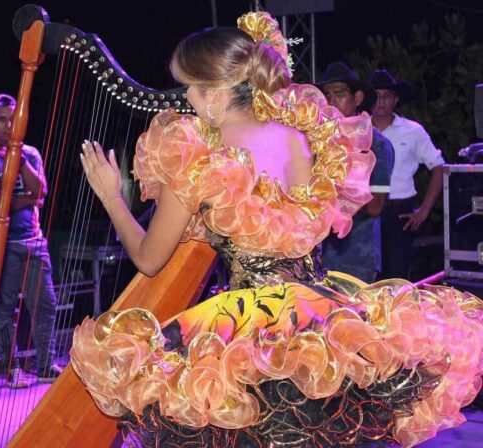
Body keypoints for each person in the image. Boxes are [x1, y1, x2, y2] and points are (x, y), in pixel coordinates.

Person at [70, 12, 483, 447]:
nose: (186, 97)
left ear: (215, 92)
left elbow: (149, 259)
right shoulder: (300, 139)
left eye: (190, 86)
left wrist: (113, 198)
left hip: (247, 329)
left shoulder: (195, 160)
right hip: (321, 315)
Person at [0, 93, 62, 388]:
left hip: (34, 239)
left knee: (45, 304)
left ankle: (46, 365)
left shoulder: (30, 154)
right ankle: (12, 370)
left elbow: (42, 193)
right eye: (2, 120)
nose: (9, 125)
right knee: (6, 308)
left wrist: (20, 164)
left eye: (13, 119)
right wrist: (27, 198)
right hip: (0, 244)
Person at [317, 62, 395, 282]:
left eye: (339, 93)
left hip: (356, 259)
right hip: (320, 257)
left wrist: (333, 196)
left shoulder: (375, 144)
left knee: (351, 316)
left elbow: (375, 207)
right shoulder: (320, 139)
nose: (330, 100)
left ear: (358, 98)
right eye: (327, 94)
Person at [369, 68, 445, 280]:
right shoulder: (359, 130)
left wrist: (424, 211)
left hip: (399, 211)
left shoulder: (412, 131)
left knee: (397, 276)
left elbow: (438, 167)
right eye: (376, 96)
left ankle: (397, 312)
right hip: (366, 210)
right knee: (367, 275)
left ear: (396, 100)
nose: (381, 101)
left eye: (387, 96)